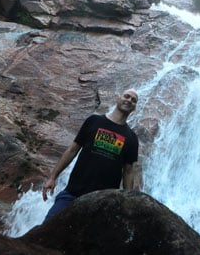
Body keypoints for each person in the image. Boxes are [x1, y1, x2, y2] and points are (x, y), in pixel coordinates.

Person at [42, 89, 139, 221]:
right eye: (126, 96)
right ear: (117, 99)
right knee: (47, 228)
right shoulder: (94, 121)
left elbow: (128, 171)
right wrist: (53, 177)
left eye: (134, 100)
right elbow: (72, 150)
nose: (129, 100)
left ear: (134, 108)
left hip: (104, 203)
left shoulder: (132, 138)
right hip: (73, 193)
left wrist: (128, 202)